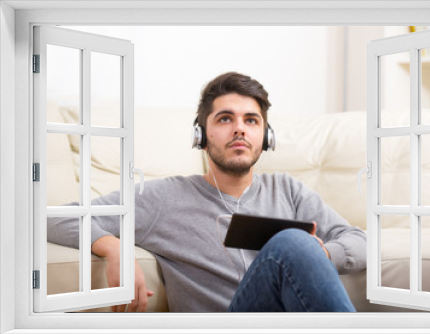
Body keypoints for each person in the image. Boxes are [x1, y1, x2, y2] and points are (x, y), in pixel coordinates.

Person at [48, 72, 366, 312]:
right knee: (293, 241)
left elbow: (360, 241)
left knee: (296, 246)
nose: (240, 128)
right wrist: (115, 248)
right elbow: (58, 217)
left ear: (266, 137)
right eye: (225, 119)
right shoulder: (163, 198)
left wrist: (319, 254)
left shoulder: (288, 190)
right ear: (200, 135)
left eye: (251, 120)